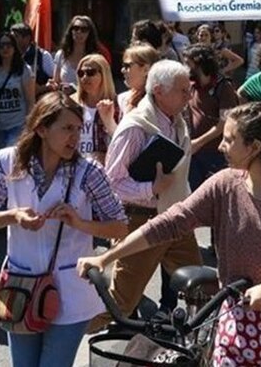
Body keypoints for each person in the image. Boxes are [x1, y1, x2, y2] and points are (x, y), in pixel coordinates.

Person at [78, 102, 261, 366]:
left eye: (229, 139)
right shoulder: (225, 185)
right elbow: (168, 223)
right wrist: (107, 258)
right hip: (239, 324)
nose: (220, 146)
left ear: (255, 147)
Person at [0, 92, 127, 367]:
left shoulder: (89, 171)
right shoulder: (8, 161)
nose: (75, 137)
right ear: (42, 128)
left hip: (71, 292)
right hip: (21, 287)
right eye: (67, 128)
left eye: (79, 129)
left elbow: (120, 227)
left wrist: (79, 222)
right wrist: (13, 215)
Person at [92, 60, 203, 330]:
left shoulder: (177, 122)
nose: (189, 96)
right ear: (158, 91)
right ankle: (62, 334)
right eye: (182, 91)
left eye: (189, 90)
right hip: (141, 221)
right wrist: (150, 189)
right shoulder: (135, 127)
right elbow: (112, 181)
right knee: (120, 303)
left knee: (202, 287)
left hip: (175, 218)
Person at [183, 44, 239, 191]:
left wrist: (198, 143)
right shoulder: (191, 85)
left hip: (215, 154)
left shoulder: (224, 87)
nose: (185, 67)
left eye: (188, 63)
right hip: (193, 153)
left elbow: (224, 123)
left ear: (199, 64)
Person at [0, 32, 36, 148]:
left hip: (18, 124)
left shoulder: (23, 69)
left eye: (9, 45)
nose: (5, 48)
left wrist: (29, 125)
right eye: (1, 45)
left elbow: (30, 100)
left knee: (11, 158)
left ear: (14, 47)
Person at [71, 54, 118, 165]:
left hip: (104, 169)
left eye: (90, 72)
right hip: (74, 165)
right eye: (81, 73)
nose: (84, 77)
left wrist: (107, 157)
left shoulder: (117, 105)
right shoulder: (71, 103)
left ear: (104, 75)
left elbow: (122, 141)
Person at [53, 15, 100, 87]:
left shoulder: (95, 58)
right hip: (64, 97)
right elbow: (56, 82)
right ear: (71, 31)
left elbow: (99, 86)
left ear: (89, 33)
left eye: (84, 29)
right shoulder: (61, 54)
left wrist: (73, 88)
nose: (79, 32)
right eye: (76, 28)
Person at [117, 42, 161, 116]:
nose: (123, 70)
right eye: (123, 65)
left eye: (127, 65)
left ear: (146, 69)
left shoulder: (160, 102)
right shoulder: (123, 98)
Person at [13, 23, 54, 94]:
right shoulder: (9, 57)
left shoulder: (42, 56)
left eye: (16, 37)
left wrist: (43, 88)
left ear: (27, 38)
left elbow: (53, 81)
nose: (12, 40)